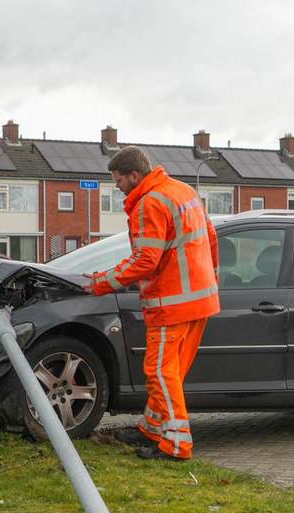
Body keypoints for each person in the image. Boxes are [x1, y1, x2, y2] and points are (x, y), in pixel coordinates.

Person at [86, 146, 220, 461]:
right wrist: (211, 282)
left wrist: (101, 282)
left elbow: (146, 260)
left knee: (160, 372)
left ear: (135, 176)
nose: (117, 187)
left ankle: (176, 445)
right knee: (170, 372)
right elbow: (211, 236)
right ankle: (153, 427)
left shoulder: (150, 203)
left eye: (118, 181)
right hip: (199, 302)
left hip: (170, 303)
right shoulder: (182, 190)